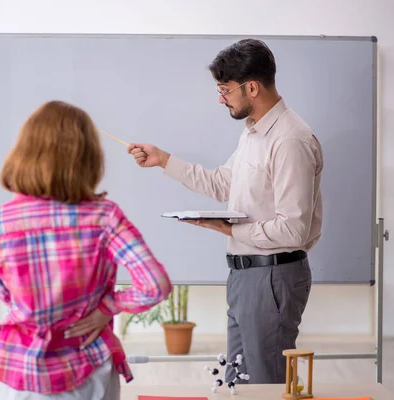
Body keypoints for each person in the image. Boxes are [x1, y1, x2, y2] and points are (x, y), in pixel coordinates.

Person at [127, 38, 323, 384]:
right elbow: (222, 184)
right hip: (246, 276)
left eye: (225, 89)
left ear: (252, 87)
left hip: (272, 277)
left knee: (266, 382)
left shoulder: (289, 140)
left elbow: (294, 230)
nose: (221, 98)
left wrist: (230, 229)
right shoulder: (253, 134)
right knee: (239, 382)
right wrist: (164, 160)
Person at [0, 100, 173, 399]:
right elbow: (155, 285)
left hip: (14, 375)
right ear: (88, 158)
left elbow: (7, 296)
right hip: (87, 370)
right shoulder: (104, 217)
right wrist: (108, 308)